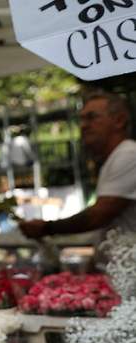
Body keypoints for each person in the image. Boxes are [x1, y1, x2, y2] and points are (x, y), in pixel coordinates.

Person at [20, 91, 136, 246]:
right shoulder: (116, 157)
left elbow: (98, 215)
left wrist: (47, 227)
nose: (83, 126)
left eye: (92, 117)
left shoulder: (128, 154)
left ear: (119, 120)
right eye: (81, 119)